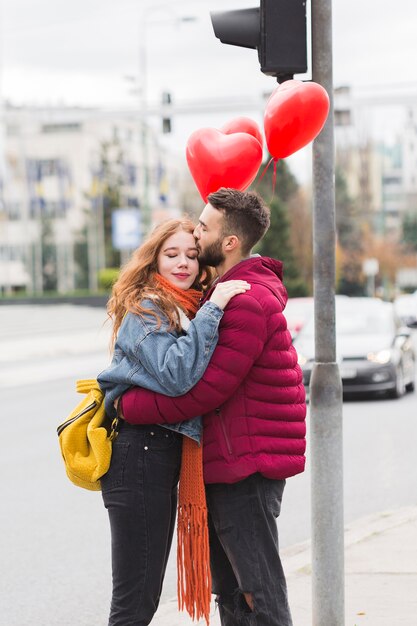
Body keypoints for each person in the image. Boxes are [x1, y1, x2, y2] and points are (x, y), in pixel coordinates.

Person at [119, 188, 307, 626]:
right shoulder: (221, 295)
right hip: (228, 465)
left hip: (246, 467)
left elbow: (203, 391)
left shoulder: (244, 302)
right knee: (234, 596)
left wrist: (128, 406)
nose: (196, 231)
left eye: (203, 227)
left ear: (228, 243)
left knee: (259, 594)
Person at [97, 217, 250, 626]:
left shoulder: (184, 309)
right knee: (134, 600)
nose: (183, 263)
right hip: (138, 455)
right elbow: (176, 375)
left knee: (143, 596)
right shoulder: (147, 307)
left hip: (159, 455)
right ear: (154, 260)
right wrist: (215, 309)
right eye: (171, 254)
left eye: (191, 255)